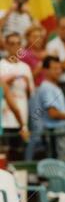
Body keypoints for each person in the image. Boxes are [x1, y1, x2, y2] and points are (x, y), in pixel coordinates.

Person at [28, 55, 65, 160]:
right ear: (45, 71)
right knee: (59, 165)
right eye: (55, 69)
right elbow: (53, 113)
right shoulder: (46, 88)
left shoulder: (54, 86)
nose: (58, 71)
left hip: (62, 132)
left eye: (59, 68)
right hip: (54, 134)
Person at [0, 32, 34, 160]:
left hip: (22, 122)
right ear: (6, 46)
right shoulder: (1, 66)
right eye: (12, 43)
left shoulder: (25, 68)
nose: (15, 47)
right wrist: (7, 81)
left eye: (18, 43)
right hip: (4, 121)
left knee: (19, 158)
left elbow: (30, 94)